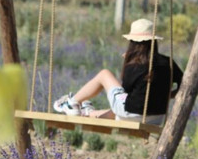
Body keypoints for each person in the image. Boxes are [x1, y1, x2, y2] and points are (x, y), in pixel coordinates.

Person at [53, 18, 184, 123]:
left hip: (132, 114)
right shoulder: (168, 62)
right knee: (124, 108)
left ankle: (72, 104)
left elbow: (125, 89)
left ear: (133, 42)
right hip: (156, 118)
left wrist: (128, 62)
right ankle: (89, 113)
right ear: (154, 42)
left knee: (104, 74)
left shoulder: (136, 64)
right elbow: (184, 84)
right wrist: (167, 95)